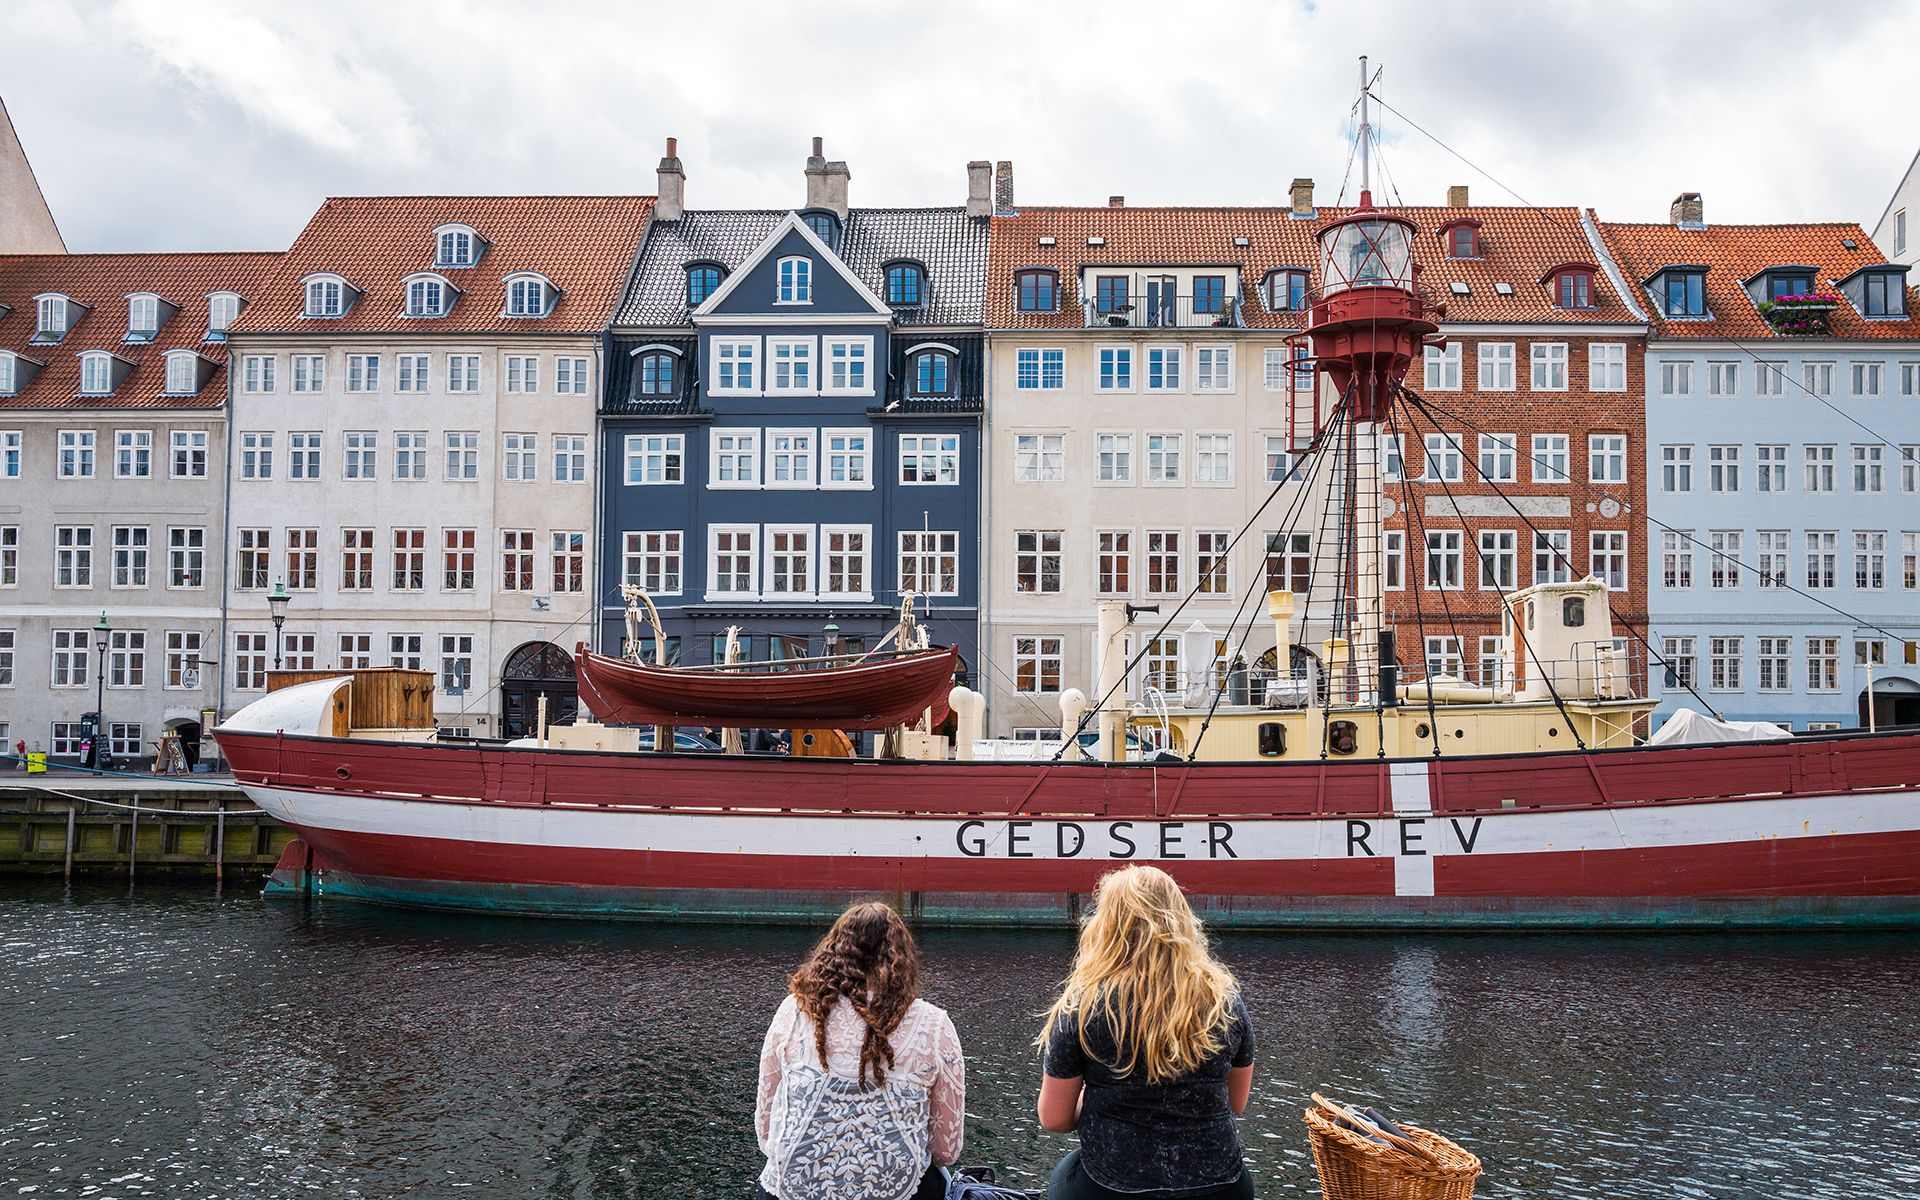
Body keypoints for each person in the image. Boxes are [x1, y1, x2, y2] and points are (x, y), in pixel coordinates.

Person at [1036, 865, 1256, 1200]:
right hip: (1221, 1187)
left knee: (1063, 1177)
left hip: (1114, 1187)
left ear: (1107, 926)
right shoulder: (1224, 1002)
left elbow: (1054, 1119)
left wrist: (1103, 1100)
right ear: (1181, 919)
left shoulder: (1084, 1008)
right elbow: (1235, 1103)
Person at [755, 901, 965, 1200]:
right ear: (902, 960)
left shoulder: (793, 1012)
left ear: (831, 953)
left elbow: (766, 1132)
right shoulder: (934, 1026)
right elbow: (946, 1150)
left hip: (791, 1189)